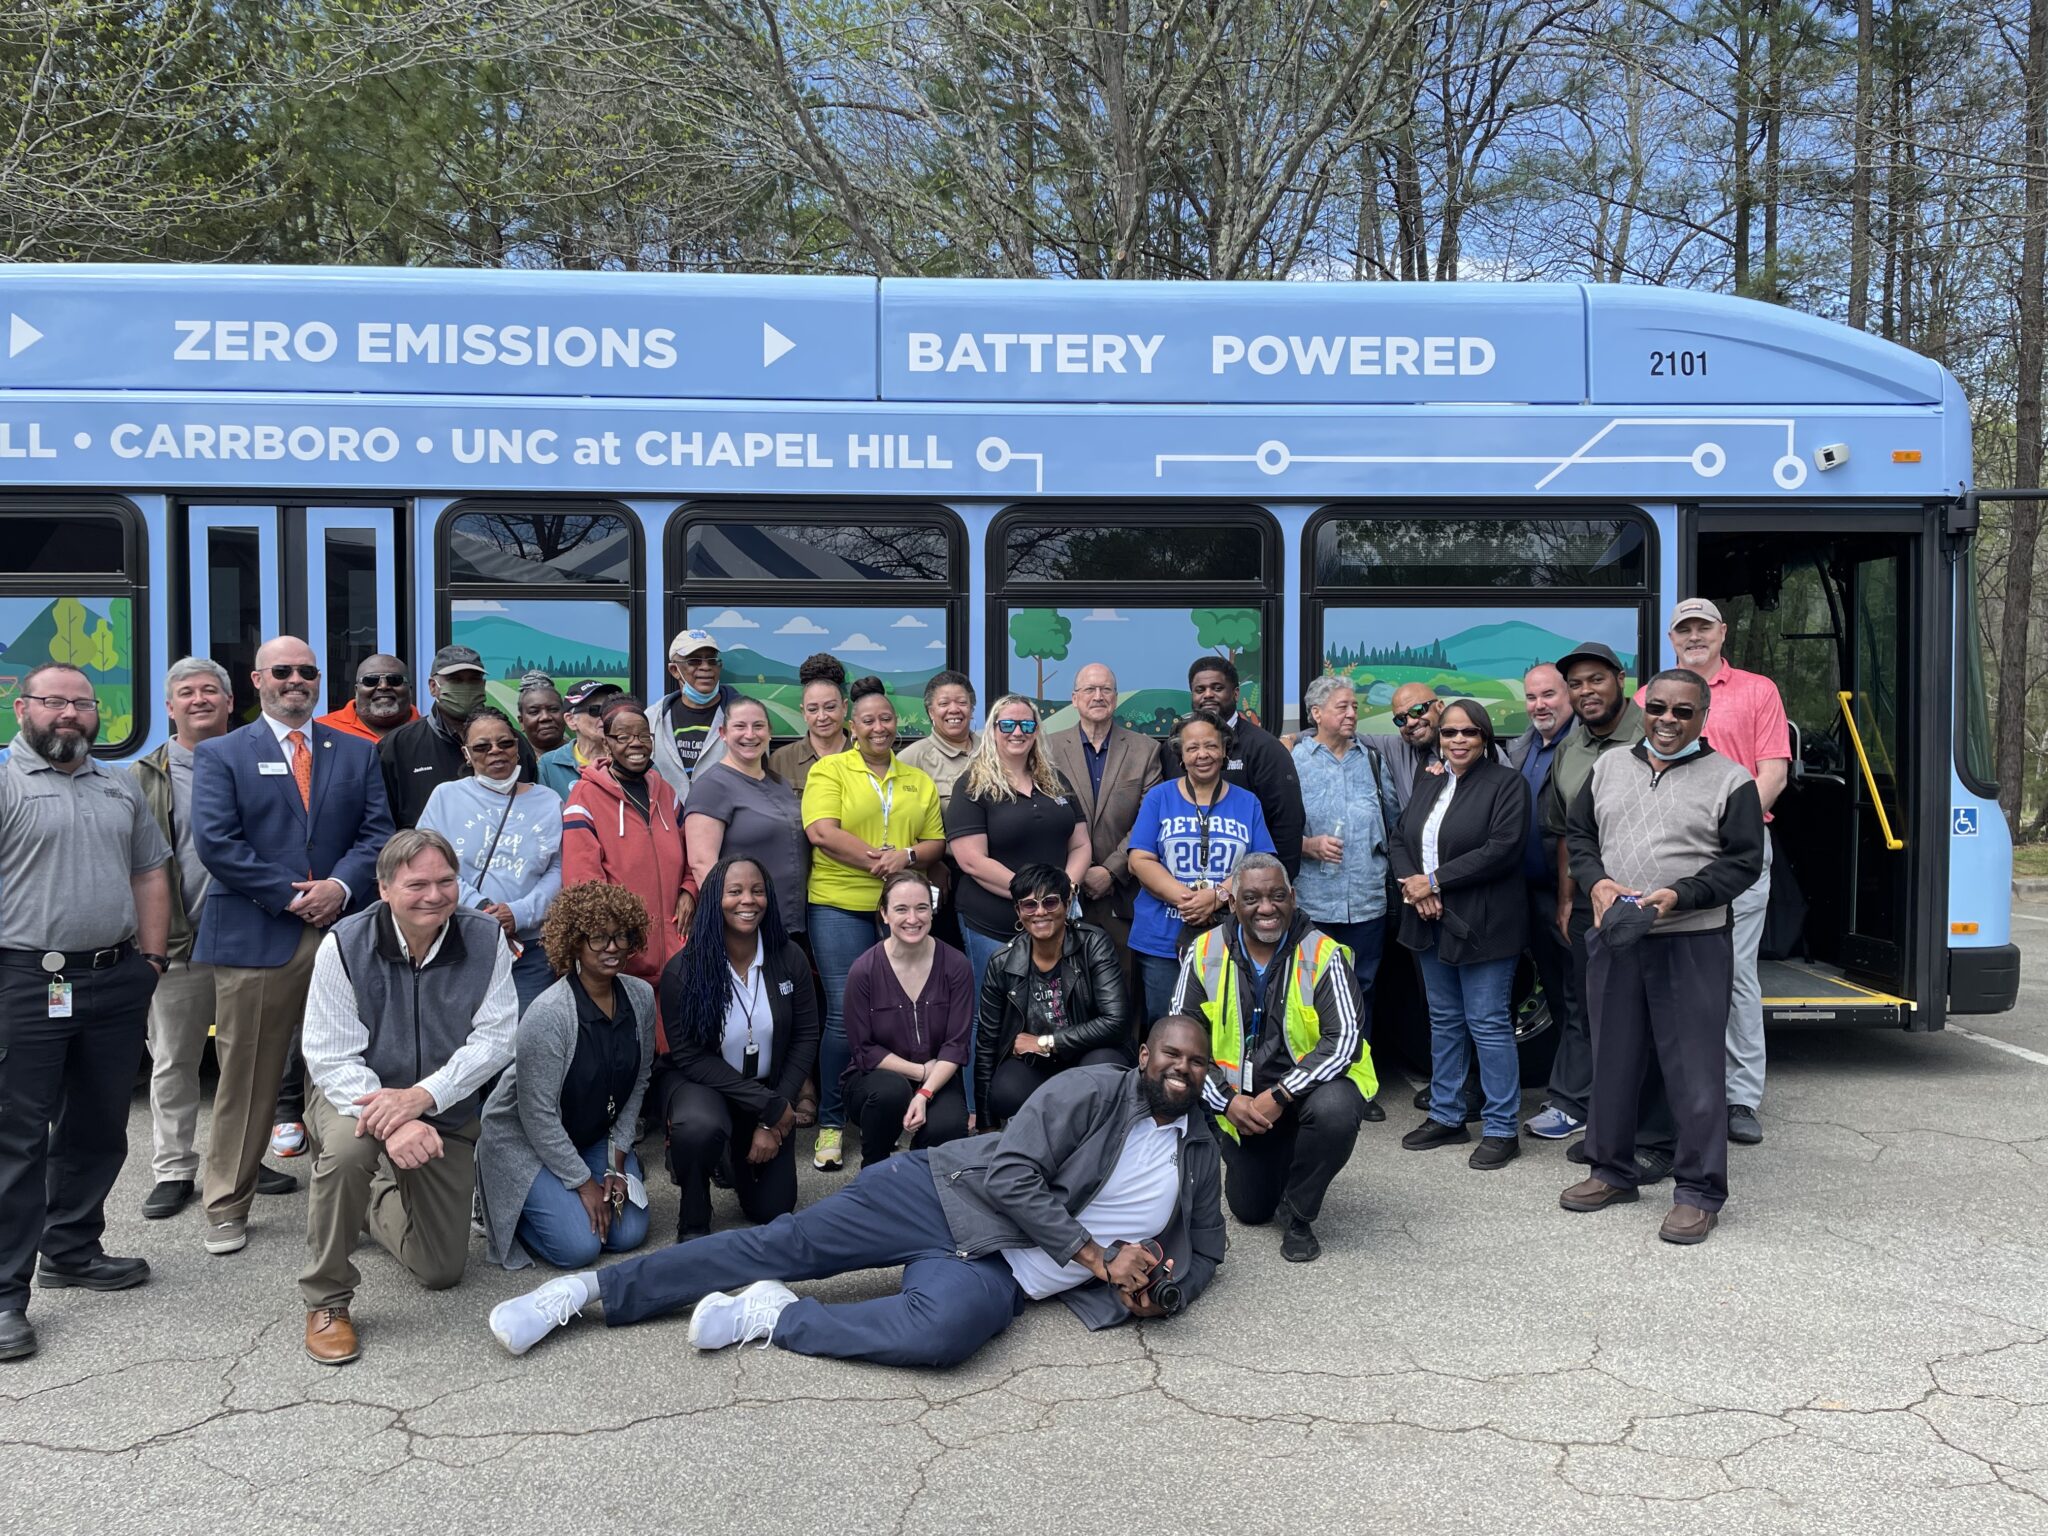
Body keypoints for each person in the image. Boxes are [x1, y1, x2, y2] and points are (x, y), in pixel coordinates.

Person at [489, 1015, 1224, 1369]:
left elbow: (1208, 1249)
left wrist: (1163, 1296)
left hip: (1000, 1270)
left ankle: (774, 1316)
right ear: (1144, 1055)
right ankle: (585, 1293)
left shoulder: (1197, 1150)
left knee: (943, 1339)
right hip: (941, 1194)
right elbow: (1010, 1175)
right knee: (785, 1245)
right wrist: (1096, 1258)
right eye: (1171, 1054)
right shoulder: (1093, 1090)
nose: (1182, 1069)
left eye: (1196, 1062)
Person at [193, 635, 392, 1259]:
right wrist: (291, 897)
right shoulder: (222, 753)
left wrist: (339, 887)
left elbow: (377, 835)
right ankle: (227, 1204)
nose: (295, 680)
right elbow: (217, 843)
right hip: (258, 934)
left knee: (352, 1069)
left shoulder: (357, 752)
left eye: (307, 671)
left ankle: (350, 1202)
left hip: (344, 931)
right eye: (282, 671)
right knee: (248, 1076)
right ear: (257, 680)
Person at [0, 666, 171, 1362]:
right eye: (54, 701)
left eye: (82, 702)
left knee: (98, 1127)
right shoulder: (6, 782)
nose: (69, 713)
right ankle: (4, 1296)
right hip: (23, 981)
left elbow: (149, 872)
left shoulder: (117, 784)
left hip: (112, 977)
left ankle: (71, 1249)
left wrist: (151, 962)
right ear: (23, 709)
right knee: (17, 1140)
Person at [298, 829, 519, 1364]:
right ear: (384, 889)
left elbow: (497, 1038)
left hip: (441, 1103)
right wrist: (395, 1118)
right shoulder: (344, 945)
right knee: (348, 1154)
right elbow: (329, 1054)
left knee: (440, 1269)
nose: (435, 895)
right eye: (417, 884)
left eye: (446, 881)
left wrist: (422, 1097)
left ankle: (370, 1203)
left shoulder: (485, 937)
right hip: (354, 1095)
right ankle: (327, 1299)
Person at [1561, 669, 1765, 1245]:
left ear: (1703, 717)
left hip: (1691, 941)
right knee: (1613, 1059)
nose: (1667, 720)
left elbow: (1742, 864)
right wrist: (1596, 881)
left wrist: (1682, 895)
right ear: (1643, 708)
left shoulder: (1732, 781)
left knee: (1695, 1072)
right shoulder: (1608, 767)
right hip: (1616, 937)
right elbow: (1579, 836)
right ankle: (1611, 1170)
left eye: (1682, 711)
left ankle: (1698, 1193)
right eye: (1657, 708)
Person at [133, 658, 288, 1220]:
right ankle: (174, 1169)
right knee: (173, 1059)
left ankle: (242, 1160)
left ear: (229, 702)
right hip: (176, 942)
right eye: (185, 692)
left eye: (209, 690)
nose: (198, 699)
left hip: (246, 937)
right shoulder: (143, 777)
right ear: (169, 707)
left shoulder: (260, 760)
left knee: (243, 1058)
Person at [1172, 854, 1374, 1263]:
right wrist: (1228, 1102)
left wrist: (1281, 1095)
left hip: (1307, 1093)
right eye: (1252, 898)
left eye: (1277, 896)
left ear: (1293, 897)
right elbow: (1181, 1044)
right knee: (1250, 1210)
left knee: (1335, 1111)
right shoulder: (1204, 951)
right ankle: (1284, 1160)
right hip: (1242, 1104)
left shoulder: (1323, 953)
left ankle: (1298, 1213)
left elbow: (1344, 1041)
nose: (1266, 908)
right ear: (1233, 903)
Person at [1659, 598, 1791, 1147]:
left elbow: (1773, 774)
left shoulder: (1758, 691)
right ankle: (1680, 1091)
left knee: (1734, 975)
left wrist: (1725, 830)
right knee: (1671, 974)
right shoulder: (1655, 695)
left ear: (1722, 633)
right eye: (1684, 629)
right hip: (1672, 854)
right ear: (1672, 638)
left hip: (1738, 852)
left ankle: (1739, 1097)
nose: (1694, 637)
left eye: (1703, 628)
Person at [800, 678, 945, 1170]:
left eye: (886, 718)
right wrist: (882, 862)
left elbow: (935, 842)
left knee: (897, 1013)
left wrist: (906, 858)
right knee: (845, 1015)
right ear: (852, 726)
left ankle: (884, 1115)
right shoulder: (830, 770)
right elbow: (822, 832)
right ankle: (831, 1123)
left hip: (901, 911)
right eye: (868, 720)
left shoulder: (916, 779)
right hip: (839, 903)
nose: (878, 727)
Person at [477, 881, 655, 1271]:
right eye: (598, 938)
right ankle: (503, 1200)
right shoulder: (550, 1014)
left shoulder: (641, 997)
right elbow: (537, 1116)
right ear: (574, 942)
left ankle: (567, 1196)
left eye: (621, 936)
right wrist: (583, 1184)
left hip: (592, 1134)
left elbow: (639, 1082)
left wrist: (616, 1163)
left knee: (628, 1233)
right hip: (525, 1138)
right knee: (579, 1248)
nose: (612, 947)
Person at [1393, 699, 1530, 1170]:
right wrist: (1416, 886)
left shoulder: (1507, 784)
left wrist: (1435, 882)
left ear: (1485, 737)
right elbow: (1400, 837)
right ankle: (1447, 1115)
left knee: (1488, 1023)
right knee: (1445, 1020)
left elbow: (1503, 849)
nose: (1458, 740)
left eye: (1469, 732)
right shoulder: (1429, 780)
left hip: (1484, 924)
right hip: (1427, 918)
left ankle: (1501, 1127)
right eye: (1449, 732)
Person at [657, 857, 819, 1239]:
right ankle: (694, 1213)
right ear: (715, 898)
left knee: (772, 1208)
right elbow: (690, 1057)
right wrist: (771, 1108)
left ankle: (728, 1158)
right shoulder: (684, 970)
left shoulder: (789, 958)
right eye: (735, 891)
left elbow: (806, 1036)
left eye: (757, 891)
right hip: (704, 1087)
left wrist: (771, 1119)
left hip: (767, 1090)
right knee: (699, 1128)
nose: (748, 900)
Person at [1528, 643, 1646, 1145]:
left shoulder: (1652, 733)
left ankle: (1638, 1115)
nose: (1585, 691)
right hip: (1586, 899)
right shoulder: (1571, 748)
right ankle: (1573, 1103)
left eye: (1595, 680)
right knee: (1581, 1001)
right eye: (1576, 684)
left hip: (1645, 898)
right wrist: (1565, 899)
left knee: (1642, 1006)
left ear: (1620, 679)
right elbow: (1563, 833)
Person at [1290, 675, 1398, 1123]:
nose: (1352, 713)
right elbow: (1274, 827)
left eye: (1354, 706)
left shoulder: (1371, 759)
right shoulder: (1294, 760)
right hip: (1313, 903)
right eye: (1342, 707)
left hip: (1367, 901)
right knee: (1309, 996)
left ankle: (1359, 1085)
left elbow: (1393, 821)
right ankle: (1308, 1082)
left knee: (1361, 992)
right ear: (1316, 714)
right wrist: (1307, 845)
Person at [1127, 709, 1275, 1026]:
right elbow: (1139, 859)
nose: (1202, 754)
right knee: (1168, 1025)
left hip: (1232, 939)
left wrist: (1217, 896)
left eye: (1210, 745)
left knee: (1227, 1024)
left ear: (1224, 750)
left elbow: (1262, 864)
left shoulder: (1248, 802)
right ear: (1181, 755)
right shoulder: (1159, 798)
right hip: (1163, 941)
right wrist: (1189, 900)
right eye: (1192, 748)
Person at [417, 705, 564, 1014]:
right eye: (482, 747)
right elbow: (428, 863)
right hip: (461, 940)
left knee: (528, 1033)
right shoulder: (445, 797)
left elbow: (559, 867)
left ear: (517, 746)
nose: (495, 751)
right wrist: (482, 910)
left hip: (530, 949)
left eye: (505, 743)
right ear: (466, 754)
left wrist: (519, 913)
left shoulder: (549, 801)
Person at [944, 693, 1090, 1004]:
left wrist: (1066, 889)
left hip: (1054, 922)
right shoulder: (972, 784)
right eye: (1008, 724)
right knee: (992, 1013)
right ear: (993, 730)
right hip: (993, 925)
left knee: (1053, 1010)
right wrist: (1034, 897)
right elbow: (971, 860)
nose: (1018, 732)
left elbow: (1080, 844)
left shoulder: (1056, 781)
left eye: (1027, 724)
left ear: (1037, 731)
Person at [562, 696, 697, 1002]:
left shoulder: (665, 792)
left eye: (643, 736)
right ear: (606, 743)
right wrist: (616, 939)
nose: (636, 743)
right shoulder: (584, 797)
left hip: (677, 957)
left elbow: (691, 854)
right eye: (623, 737)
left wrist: (689, 890)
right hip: (625, 962)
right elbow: (584, 884)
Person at [974, 865, 1133, 1125]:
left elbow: (1116, 1021)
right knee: (1005, 1091)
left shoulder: (1093, 944)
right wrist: (986, 1124)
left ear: (1067, 904)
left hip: (1089, 1053)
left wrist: (1046, 1042)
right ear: (1018, 911)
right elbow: (987, 1043)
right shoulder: (1002, 962)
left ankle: (1086, 1138)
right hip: (1037, 1064)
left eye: (1050, 902)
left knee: (1102, 1070)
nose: (1040, 912)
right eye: (1029, 905)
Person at [841, 870, 973, 1166]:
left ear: (932, 910)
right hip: (876, 1080)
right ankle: (874, 1171)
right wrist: (919, 1072)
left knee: (949, 1125)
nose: (913, 919)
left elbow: (955, 1045)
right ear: (884, 914)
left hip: (938, 1075)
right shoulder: (863, 971)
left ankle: (921, 1177)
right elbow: (864, 1050)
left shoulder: (956, 965)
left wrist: (925, 1091)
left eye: (921, 908)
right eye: (901, 909)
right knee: (891, 1092)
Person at [1043, 662, 1163, 972]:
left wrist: (1110, 870)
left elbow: (1149, 819)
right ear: (1074, 698)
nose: (1098, 696)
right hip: (1061, 889)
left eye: (1106, 689)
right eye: (1089, 689)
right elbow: (1040, 813)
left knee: (1121, 987)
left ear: (1116, 697)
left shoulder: (1146, 750)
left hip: (1122, 893)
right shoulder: (1046, 749)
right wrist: (1078, 872)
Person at [1508, 663, 1577, 1136]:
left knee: (1579, 1001)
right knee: (1554, 994)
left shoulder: (1583, 746)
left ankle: (1578, 1101)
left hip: (1568, 896)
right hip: (1527, 893)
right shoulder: (1521, 748)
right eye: (1532, 697)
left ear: (1567, 695)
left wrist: (1569, 896)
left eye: (1548, 695)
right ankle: (1566, 1091)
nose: (1539, 705)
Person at [681, 696, 808, 942]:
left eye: (758, 726)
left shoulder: (779, 783)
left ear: (769, 732)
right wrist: (731, 920)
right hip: (745, 927)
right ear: (723, 733)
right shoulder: (712, 786)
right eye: (740, 726)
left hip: (790, 924)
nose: (750, 734)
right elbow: (701, 863)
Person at [1164, 657, 1304, 877]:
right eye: (1200, 689)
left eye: (1217, 688)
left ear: (1236, 693)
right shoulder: (1172, 748)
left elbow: (1287, 823)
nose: (1208, 694)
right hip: (1180, 883)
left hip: (1247, 885)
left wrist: (1276, 883)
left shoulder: (1266, 749)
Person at [380, 643, 538, 829]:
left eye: (473, 680)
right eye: (455, 680)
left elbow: (531, 806)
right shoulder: (398, 747)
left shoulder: (511, 743)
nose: (466, 687)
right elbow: (382, 824)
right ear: (433, 687)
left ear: (483, 686)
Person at [650, 628, 740, 805]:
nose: (706, 667)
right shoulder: (653, 718)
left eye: (712, 660)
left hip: (725, 820)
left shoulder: (745, 718)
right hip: (668, 820)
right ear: (674, 670)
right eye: (694, 661)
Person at [766, 652, 851, 791]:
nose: (822, 717)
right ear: (803, 712)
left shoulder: (866, 756)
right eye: (813, 709)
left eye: (830, 707)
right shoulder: (781, 761)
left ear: (844, 707)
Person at [897, 669, 978, 798]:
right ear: (931, 712)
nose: (954, 709)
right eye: (944, 703)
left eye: (962, 702)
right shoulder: (913, 757)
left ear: (971, 709)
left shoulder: (992, 747)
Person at [537, 679, 622, 798]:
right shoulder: (548, 765)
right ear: (571, 720)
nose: (605, 716)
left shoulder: (628, 758)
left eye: (610, 710)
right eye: (595, 710)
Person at [1365, 682, 1443, 810]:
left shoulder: (1462, 752)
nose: (1410, 722)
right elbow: (1346, 736)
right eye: (1401, 719)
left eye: (1417, 710)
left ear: (1440, 707)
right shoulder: (1396, 748)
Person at [316, 654, 417, 744]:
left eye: (395, 680)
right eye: (370, 680)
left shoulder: (426, 731)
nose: (383, 686)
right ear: (356, 690)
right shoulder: (321, 729)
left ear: (410, 689)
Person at [516, 673, 568, 755]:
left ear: (566, 716)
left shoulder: (584, 754)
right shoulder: (514, 759)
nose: (545, 717)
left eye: (553, 709)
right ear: (521, 722)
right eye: (534, 712)